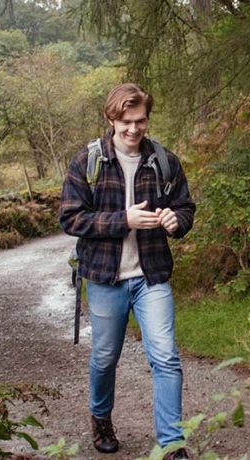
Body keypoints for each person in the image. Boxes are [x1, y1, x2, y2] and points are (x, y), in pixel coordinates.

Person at [59, 83, 196, 460]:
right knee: (105, 357)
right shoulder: (87, 162)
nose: (134, 130)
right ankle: (101, 418)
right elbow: (70, 218)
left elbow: (185, 208)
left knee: (166, 356)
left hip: (151, 277)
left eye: (140, 121)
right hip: (105, 279)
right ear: (111, 119)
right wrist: (124, 220)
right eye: (126, 122)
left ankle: (171, 442)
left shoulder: (164, 160)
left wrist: (175, 220)